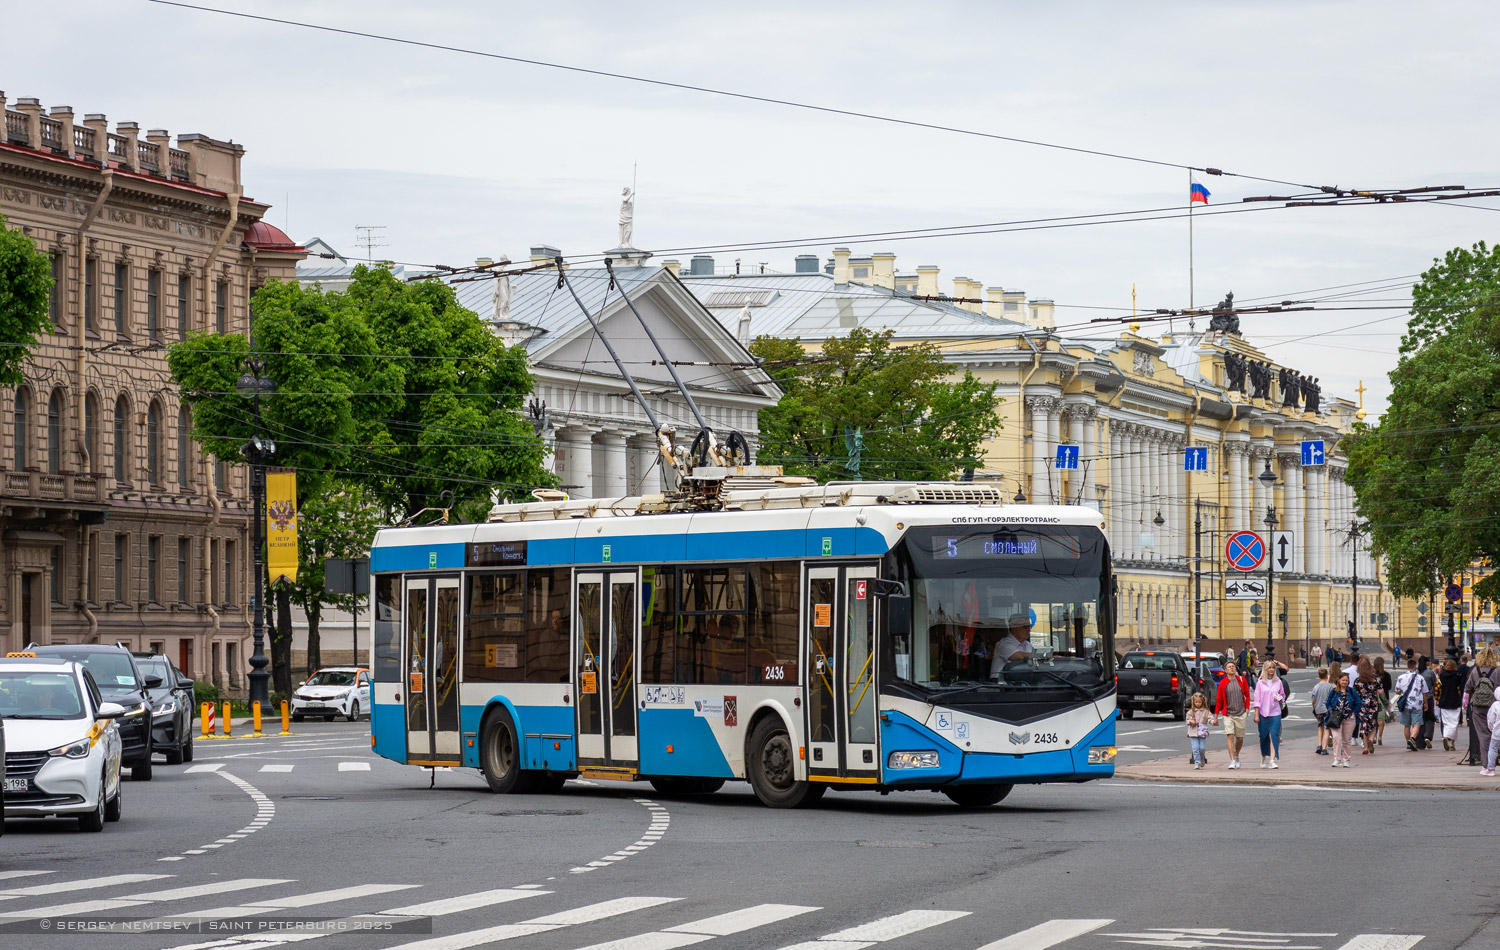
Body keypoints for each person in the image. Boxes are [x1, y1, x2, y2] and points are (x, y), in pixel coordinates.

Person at [1215, 658, 1251, 769]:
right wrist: (1215, 716)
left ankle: (1236, 755)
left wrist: (1247, 708)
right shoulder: (1223, 683)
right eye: (1229, 667)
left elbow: (1247, 694)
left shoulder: (1241, 680)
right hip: (1228, 714)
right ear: (1225, 670)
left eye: (1233, 666)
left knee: (1239, 738)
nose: (1232, 668)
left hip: (1240, 712)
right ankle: (1232, 760)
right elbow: (1219, 700)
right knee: (1230, 735)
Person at [1251, 661, 1287, 768]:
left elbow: (1283, 697)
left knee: (1274, 735)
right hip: (1263, 713)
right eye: (1269, 668)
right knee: (1263, 736)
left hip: (1275, 712)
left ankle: (1272, 760)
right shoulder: (1260, 683)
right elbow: (1257, 699)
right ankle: (1263, 756)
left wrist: (1279, 697)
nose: (1271, 670)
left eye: (1273, 667)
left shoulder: (1278, 682)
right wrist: (1256, 713)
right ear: (1265, 669)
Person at [1466, 648, 1500, 763]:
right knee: (1495, 733)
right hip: (1494, 706)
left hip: (1478, 706)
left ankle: (1487, 763)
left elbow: (1467, 688)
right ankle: (1494, 756)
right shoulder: (1497, 671)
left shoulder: (1475, 671)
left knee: (1483, 735)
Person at [1325, 671, 1361, 767]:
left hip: (1349, 718)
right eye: (1343, 680)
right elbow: (1328, 702)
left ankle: (1346, 760)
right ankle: (1337, 759)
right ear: (1339, 680)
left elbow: (1358, 702)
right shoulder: (1334, 691)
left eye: (1346, 680)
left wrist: (1354, 712)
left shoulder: (1352, 691)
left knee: (1347, 740)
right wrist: (1330, 710)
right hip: (1336, 718)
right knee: (1336, 738)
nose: (1344, 682)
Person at [1394, 657, 1430, 751]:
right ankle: (1413, 739)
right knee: (1417, 723)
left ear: (1407, 666)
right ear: (1415, 666)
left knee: (1407, 725)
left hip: (1405, 704)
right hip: (1417, 704)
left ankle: (1408, 743)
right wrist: (1426, 703)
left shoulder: (1401, 677)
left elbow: (1397, 691)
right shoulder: (1420, 678)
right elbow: (1424, 692)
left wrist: (1403, 691)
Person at [1354, 656, 1383, 755]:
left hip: (1362, 704)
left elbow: (1355, 694)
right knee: (1374, 723)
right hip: (1373, 703)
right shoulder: (1375, 678)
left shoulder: (1358, 680)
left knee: (1364, 725)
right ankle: (1371, 739)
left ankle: (1365, 748)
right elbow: (1381, 691)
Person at [1437, 658, 1464, 751]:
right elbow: (1460, 685)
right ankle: (1452, 743)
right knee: (1454, 722)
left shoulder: (1442, 675)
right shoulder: (1457, 676)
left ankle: (1445, 735)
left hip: (1444, 700)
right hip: (1454, 700)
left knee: (1446, 722)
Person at [1186, 692, 1215, 769]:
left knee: (1202, 748)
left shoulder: (1206, 711)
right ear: (1193, 702)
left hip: (1202, 732)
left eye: (1199, 702)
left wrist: (1213, 722)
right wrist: (1191, 721)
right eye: (1196, 702)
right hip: (1193, 732)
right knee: (1195, 748)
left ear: (1202, 702)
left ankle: (1202, 758)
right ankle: (1197, 762)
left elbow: (1210, 719)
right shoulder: (1191, 712)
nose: (1198, 704)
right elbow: (1188, 720)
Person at [1311, 667, 1334, 755]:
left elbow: (1313, 700)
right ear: (1327, 675)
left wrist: (1314, 708)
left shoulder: (1316, 687)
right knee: (1326, 728)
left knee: (1320, 727)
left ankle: (1319, 745)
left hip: (1318, 709)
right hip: (1327, 709)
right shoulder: (1330, 686)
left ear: (1319, 676)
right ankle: (1324, 748)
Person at [1419, 655, 1438, 749]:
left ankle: (1419, 742)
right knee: (1430, 718)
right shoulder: (1430, 673)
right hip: (1429, 697)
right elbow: (1435, 683)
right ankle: (1427, 736)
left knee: (1420, 719)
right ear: (1426, 662)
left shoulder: (1417, 673)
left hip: (1418, 699)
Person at [1373, 656, 1392, 746]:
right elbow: (1389, 687)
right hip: (1384, 698)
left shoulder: (1371, 676)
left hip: (1373, 698)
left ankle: (1373, 735)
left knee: (1373, 718)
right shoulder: (1387, 675)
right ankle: (1380, 737)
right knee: (1381, 719)